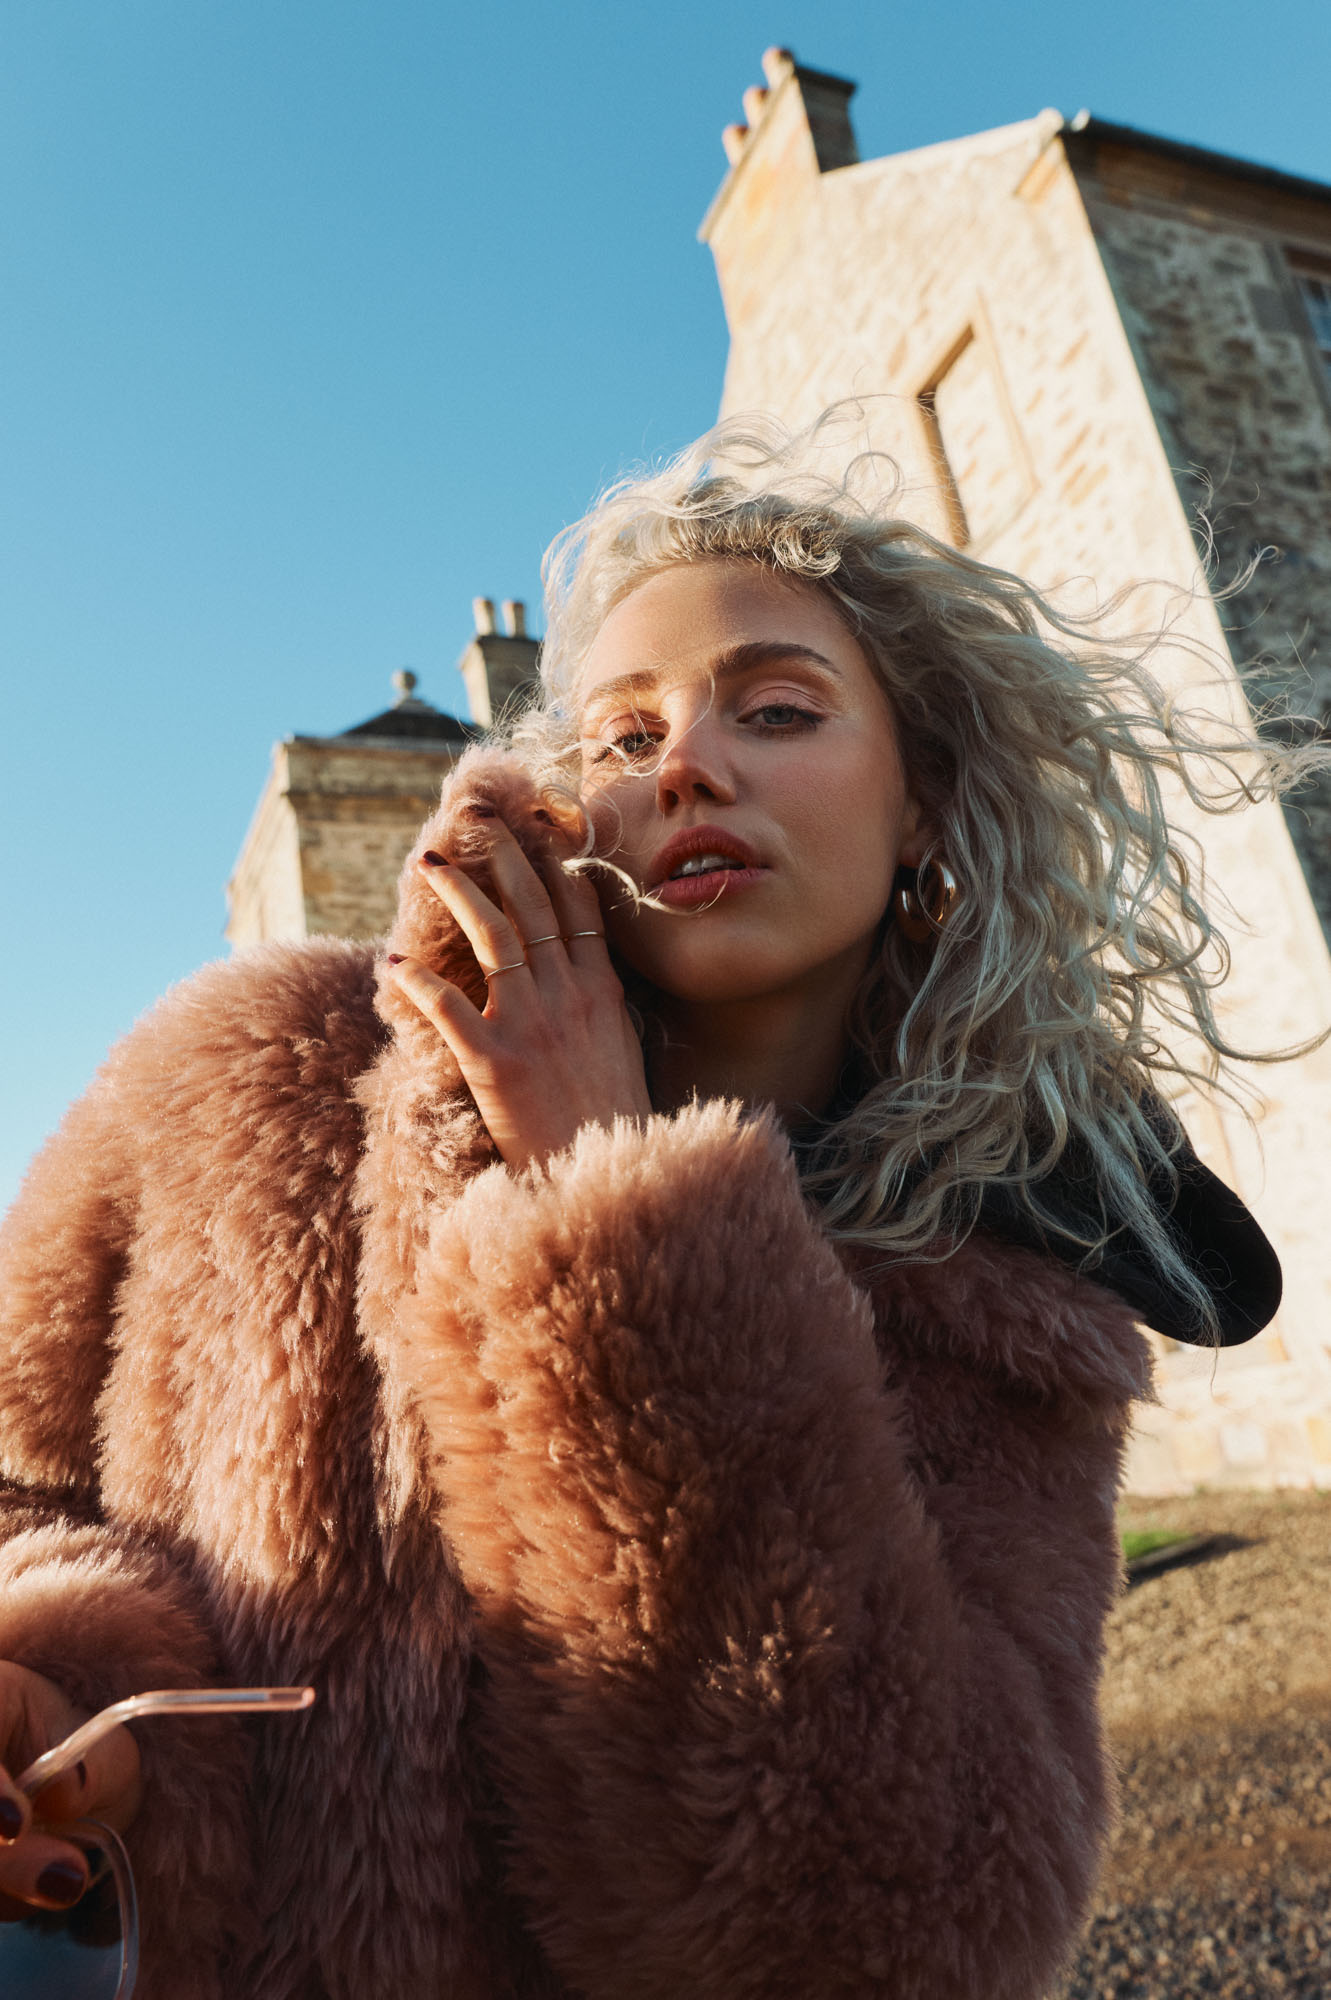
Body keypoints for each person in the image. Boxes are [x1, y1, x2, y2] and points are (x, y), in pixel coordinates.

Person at [0, 418, 1299, 1999]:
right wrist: (66, 1695)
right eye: (619, 738)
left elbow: (897, 1930)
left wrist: (609, 1213)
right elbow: (19, 1488)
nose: (684, 761)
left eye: (776, 707)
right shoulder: (245, 1071)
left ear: (924, 815)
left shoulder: (1006, 1305)